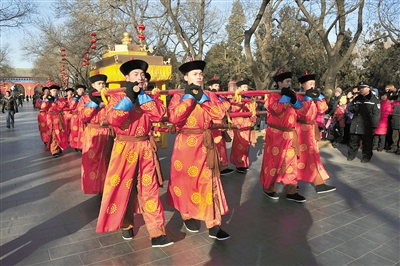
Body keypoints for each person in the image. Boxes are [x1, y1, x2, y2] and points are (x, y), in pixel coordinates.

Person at [96, 59, 174, 247]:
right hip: (124, 147)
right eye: (136, 74)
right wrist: (129, 99)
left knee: (150, 189)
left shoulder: (150, 98)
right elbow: (113, 119)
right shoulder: (116, 97)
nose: (140, 78)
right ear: (127, 78)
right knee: (123, 188)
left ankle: (157, 233)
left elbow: (159, 115)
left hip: (145, 147)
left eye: (142, 75)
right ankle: (126, 224)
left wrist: (143, 98)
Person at [167, 60, 230, 241]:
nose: (199, 77)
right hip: (184, 146)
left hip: (205, 144)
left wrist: (203, 99)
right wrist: (189, 99)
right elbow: (174, 118)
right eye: (195, 74)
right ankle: (187, 215)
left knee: (210, 182)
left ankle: (214, 224)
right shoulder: (179, 96)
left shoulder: (210, 94)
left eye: (200, 74)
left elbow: (219, 114)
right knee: (184, 182)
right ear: (186, 77)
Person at [260, 69, 308, 203]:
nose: (289, 84)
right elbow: (276, 110)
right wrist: (286, 97)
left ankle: (291, 191)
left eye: (290, 82)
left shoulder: (293, 95)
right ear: (279, 83)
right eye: (287, 81)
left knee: (290, 162)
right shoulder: (272, 97)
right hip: (276, 134)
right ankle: (268, 188)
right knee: (273, 162)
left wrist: (293, 99)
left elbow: (303, 111)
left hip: (290, 134)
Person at [295, 71, 336, 194]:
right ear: (303, 85)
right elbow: (300, 111)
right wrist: (307, 98)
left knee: (314, 156)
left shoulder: (313, 96)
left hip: (311, 130)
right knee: (298, 156)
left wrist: (320, 97)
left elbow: (323, 109)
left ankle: (319, 183)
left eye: (314, 83)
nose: (312, 86)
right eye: (310, 84)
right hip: (300, 129)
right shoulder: (298, 96)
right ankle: (292, 181)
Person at [78, 74, 113, 194]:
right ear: (93, 85)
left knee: (108, 159)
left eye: (104, 84)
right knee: (93, 161)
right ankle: (94, 186)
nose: (102, 86)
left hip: (108, 132)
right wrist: (94, 104)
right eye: (99, 84)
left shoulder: (109, 97)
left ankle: (107, 187)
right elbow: (83, 116)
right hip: (93, 132)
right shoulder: (85, 99)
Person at [207, 76, 234, 175]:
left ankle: (222, 166)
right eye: (215, 85)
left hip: (220, 122)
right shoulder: (207, 96)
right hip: (212, 122)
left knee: (221, 144)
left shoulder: (221, 96)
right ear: (210, 87)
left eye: (218, 85)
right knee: (214, 144)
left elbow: (227, 105)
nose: (217, 87)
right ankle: (214, 166)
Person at [347, 82, 380, 163]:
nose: (361, 89)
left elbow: (376, 113)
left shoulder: (374, 99)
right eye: (360, 88)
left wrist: (374, 126)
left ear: (369, 88)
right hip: (356, 123)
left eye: (363, 88)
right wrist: (355, 107)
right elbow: (350, 108)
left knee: (367, 143)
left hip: (367, 125)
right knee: (353, 141)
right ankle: (351, 155)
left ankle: (366, 157)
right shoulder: (357, 98)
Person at [229, 78, 257, 173]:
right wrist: (242, 101)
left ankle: (244, 163)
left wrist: (251, 102)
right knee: (240, 143)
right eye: (244, 87)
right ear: (239, 88)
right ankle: (239, 164)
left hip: (247, 123)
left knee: (246, 144)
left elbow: (253, 108)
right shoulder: (236, 97)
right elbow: (234, 109)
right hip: (239, 123)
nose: (245, 88)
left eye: (246, 87)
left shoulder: (250, 97)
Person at [43, 84, 68, 157]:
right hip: (50, 118)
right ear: (50, 91)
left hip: (59, 117)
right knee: (53, 133)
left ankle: (59, 147)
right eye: (54, 90)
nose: (55, 92)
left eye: (57, 91)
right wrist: (47, 100)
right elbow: (43, 107)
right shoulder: (48, 99)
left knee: (60, 132)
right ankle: (54, 150)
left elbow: (64, 106)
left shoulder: (61, 99)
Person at [70, 85, 86, 152]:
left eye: (82, 89)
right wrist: (75, 100)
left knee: (82, 131)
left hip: (82, 117)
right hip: (75, 117)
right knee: (75, 132)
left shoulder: (86, 98)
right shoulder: (73, 98)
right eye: (80, 89)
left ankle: (81, 146)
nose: (81, 91)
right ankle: (75, 145)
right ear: (77, 90)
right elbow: (71, 107)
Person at [387, 88, 400, 154]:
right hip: (395, 118)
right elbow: (389, 98)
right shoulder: (395, 99)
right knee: (394, 135)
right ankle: (394, 147)